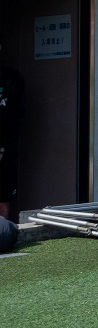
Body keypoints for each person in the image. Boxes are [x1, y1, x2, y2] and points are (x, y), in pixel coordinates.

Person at [0, 41, 21, 222]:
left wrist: (4, 148)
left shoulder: (11, 78)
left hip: (4, 148)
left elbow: (16, 118)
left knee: (3, 198)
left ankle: (4, 235)